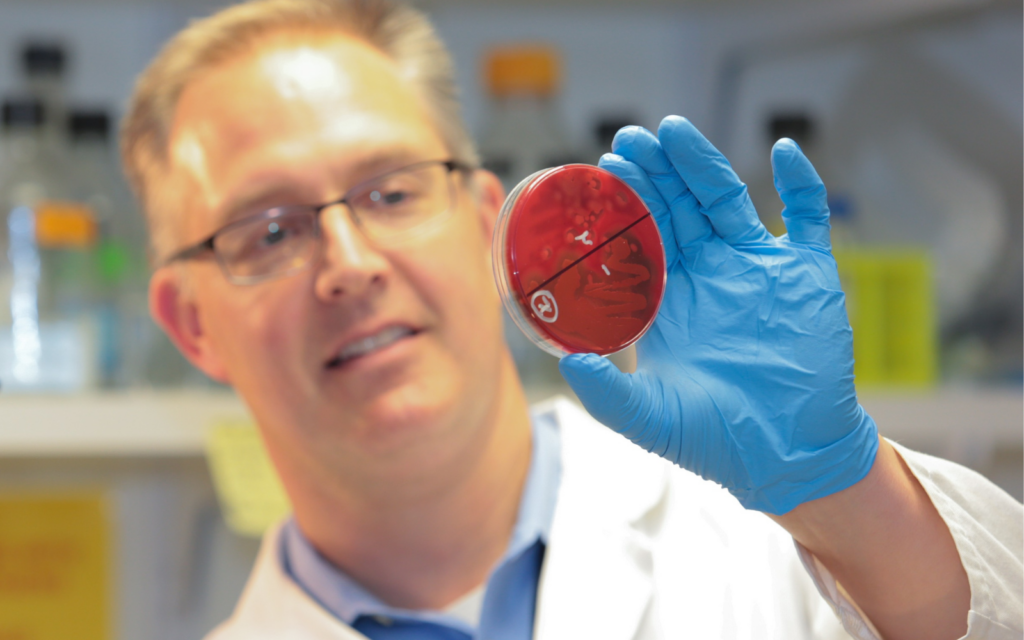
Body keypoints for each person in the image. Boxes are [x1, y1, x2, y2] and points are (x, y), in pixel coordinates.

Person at [119, 0, 1022, 638]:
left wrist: (846, 494)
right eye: (268, 230)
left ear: (484, 225)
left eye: (390, 191)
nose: (349, 265)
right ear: (191, 323)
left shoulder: (766, 549)